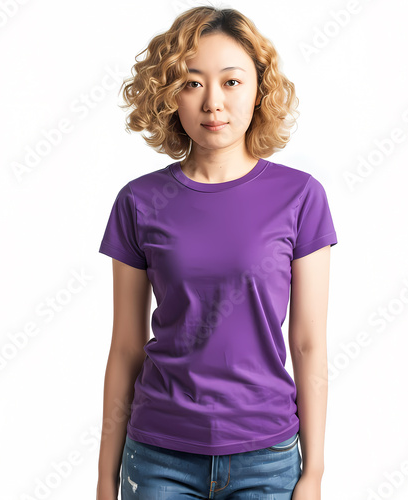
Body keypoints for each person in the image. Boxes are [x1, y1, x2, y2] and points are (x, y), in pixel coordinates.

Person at [96, 6, 338, 500]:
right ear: (168, 94)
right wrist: (104, 480)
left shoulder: (300, 197)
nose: (213, 103)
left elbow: (309, 344)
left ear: (259, 90)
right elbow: (125, 347)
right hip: (158, 456)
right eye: (191, 82)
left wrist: (312, 473)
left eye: (231, 82)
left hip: (267, 459)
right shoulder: (138, 202)